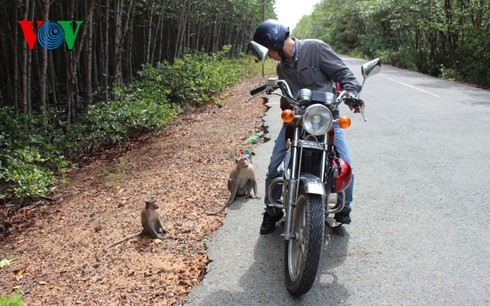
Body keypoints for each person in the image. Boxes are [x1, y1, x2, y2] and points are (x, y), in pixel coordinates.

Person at [252, 19, 362, 235]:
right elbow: (285, 99)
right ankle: (272, 210)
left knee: (345, 163)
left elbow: (343, 73)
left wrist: (351, 93)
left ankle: (343, 208)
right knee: (274, 166)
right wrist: (284, 100)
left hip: (326, 118)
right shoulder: (282, 67)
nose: (269, 56)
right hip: (299, 120)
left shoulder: (315, 48)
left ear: (274, 44)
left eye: (268, 51)